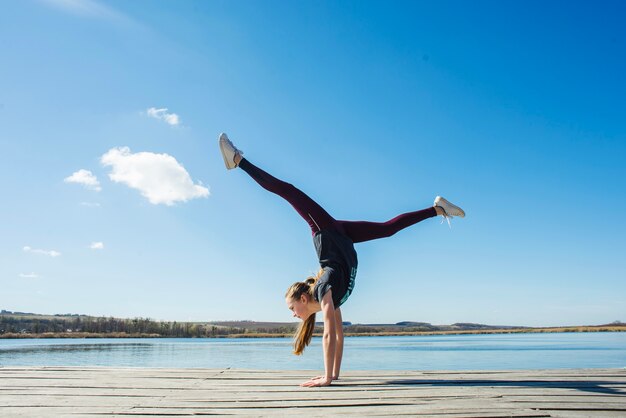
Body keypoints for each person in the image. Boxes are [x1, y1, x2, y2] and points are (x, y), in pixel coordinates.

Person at [218, 133, 465, 387]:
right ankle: (437, 209)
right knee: (387, 229)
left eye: (291, 308)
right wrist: (332, 375)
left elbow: (329, 335)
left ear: (304, 298)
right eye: (292, 310)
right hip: (341, 236)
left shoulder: (324, 286)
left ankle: (237, 160)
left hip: (326, 231)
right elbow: (337, 334)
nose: (292, 314)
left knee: (289, 192)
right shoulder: (329, 293)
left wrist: (326, 379)